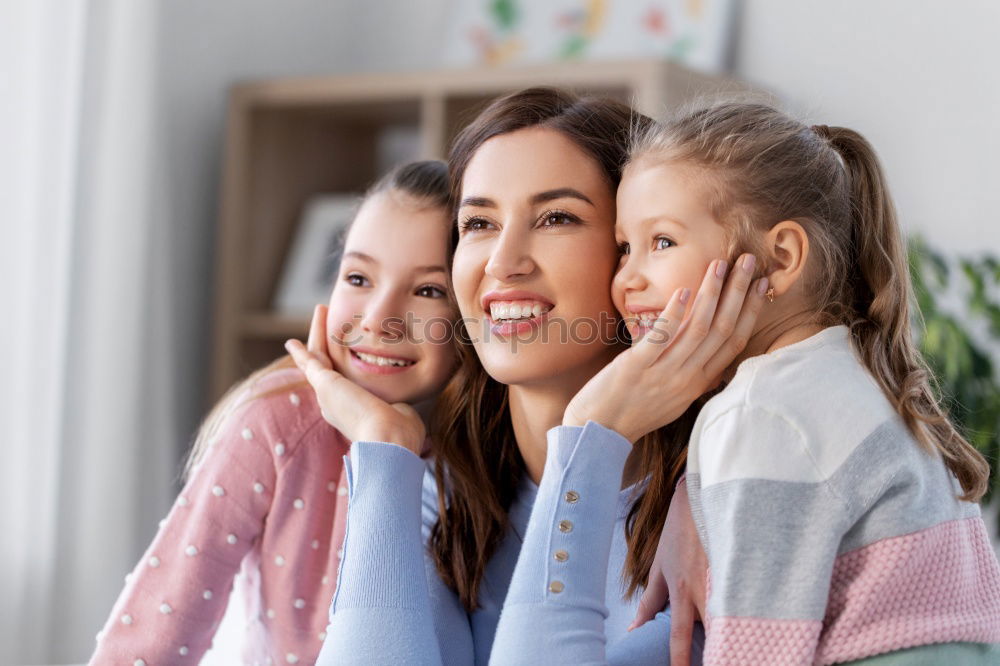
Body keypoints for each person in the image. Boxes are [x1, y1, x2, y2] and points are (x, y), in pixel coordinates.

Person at [286, 87, 763, 665]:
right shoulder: (447, 493)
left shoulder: (718, 510)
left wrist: (592, 437)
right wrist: (383, 450)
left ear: (631, 251)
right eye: (479, 223)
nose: (503, 261)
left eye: (556, 217)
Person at [548, 102, 1000, 663]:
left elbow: (761, 643)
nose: (626, 279)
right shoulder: (853, 375)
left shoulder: (761, 412)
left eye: (662, 242)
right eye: (624, 248)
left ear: (780, 258)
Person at [90, 160, 457, 666]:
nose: (379, 319)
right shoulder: (280, 424)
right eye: (357, 277)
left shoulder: (499, 445)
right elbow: (152, 633)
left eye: (429, 291)